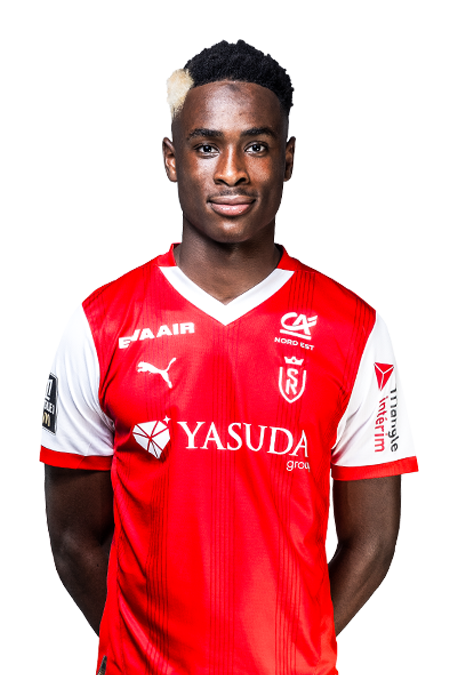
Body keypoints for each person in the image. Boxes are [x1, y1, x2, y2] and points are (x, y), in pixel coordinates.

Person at [40, 39, 419, 675]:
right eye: (207, 146)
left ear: (288, 159)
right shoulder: (99, 325)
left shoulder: (354, 329)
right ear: (171, 159)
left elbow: (373, 539)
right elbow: (76, 539)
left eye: (258, 146)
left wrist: (289, 649)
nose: (232, 172)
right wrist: (143, 657)